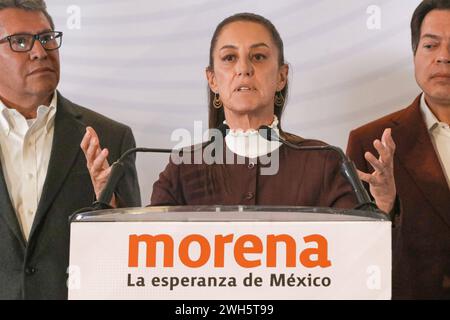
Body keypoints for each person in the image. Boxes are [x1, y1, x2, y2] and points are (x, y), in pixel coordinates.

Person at [86, 15, 394, 215]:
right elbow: (148, 254)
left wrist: (383, 204)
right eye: (230, 58)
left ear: (281, 76)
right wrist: (108, 202)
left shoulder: (325, 161)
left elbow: (360, 254)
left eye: (258, 57)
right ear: (213, 80)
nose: (244, 68)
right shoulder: (182, 168)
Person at [0, 0, 141, 300]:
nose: (40, 51)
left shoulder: (111, 139)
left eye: (47, 38)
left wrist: (111, 206)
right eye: (20, 41)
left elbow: (133, 260)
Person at [347, 0, 450, 299]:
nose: (444, 57)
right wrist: (385, 208)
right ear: (415, 53)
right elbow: (352, 260)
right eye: (431, 46)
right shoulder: (370, 142)